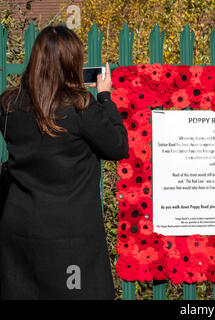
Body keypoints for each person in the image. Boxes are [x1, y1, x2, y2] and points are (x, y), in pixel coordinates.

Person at [0, 25, 128, 299]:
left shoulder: (9, 105)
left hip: (21, 230)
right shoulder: (80, 105)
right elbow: (117, 146)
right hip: (70, 238)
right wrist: (105, 96)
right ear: (72, 63)